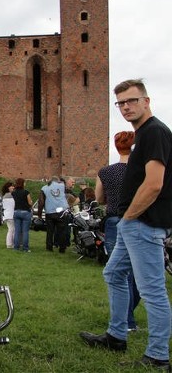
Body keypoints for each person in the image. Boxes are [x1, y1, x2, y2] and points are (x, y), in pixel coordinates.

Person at [80, 79, 172, 370]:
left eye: (132, 101)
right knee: (113, 274)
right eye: (120, 103)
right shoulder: (143, 134)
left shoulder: (154, 132)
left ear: (146, 101)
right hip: (132, 224)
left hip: (141, 223)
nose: (126, 107)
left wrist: (130, 217)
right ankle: (116, 336)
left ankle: (158, 355)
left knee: (152, 290)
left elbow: (154, 184)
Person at [95, 131, 140, 331]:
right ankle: (129, 318)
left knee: (119, 273)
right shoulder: (141, 170)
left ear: (116, 146)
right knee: (136, 272)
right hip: (138, 220)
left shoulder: (105, 172)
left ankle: (125, 320)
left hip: (113, 221)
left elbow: (99, 198)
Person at [37, 176, 69, 253]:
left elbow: (41, 202)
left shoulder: (44, 188)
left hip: (50, 212)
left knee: (50, 231)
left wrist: (39, 214)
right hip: (62, 211)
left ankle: (49, 247)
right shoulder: (62, 185)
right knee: (62, 231)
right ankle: (62, 248)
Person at [12, 178, 32, 252]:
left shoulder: (13, 193)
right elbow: (30, 203)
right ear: (22, 184)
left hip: (16, 212)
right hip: (25, 212)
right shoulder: (26, 192)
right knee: (25, 231)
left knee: (17, 231)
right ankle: (25, 248)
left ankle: (16, 247)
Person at [1, 181, 15, 249]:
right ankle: (10, 244)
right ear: (8, 188)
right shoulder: (10, 195)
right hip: (11, 215)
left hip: (7, 215)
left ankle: (9, 244)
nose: (13, 187)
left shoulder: (5, 195)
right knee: (12, 230)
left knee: (10, 229)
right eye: (11, 186)